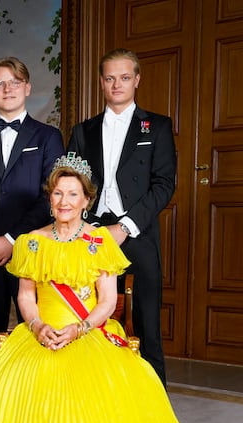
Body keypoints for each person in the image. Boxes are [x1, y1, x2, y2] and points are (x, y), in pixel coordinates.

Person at [0, 154, 212, 423]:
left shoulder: (100, 241)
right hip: (41, 333)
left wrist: (79, 329)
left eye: (73, 194)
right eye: (57, 193)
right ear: (49, 198)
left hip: (88, 331)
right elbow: (26, 297)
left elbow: (108, 302)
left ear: (86, 200)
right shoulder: (32, 242)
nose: (64, 201)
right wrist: (36, 327)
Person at [67, 48, 175, 384]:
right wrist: (84, 227)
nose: (117, 84)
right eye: (110, 78)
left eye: (125, 77)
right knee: (87, 317)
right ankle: (97, 394)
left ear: (137, 80)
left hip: (137, 232)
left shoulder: (156, 126)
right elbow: (70, 182)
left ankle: (155, 404)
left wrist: (126, 226)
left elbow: (164, 184)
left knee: (146, 325)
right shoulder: (83, 131)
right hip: (91, 233)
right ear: (101, 82)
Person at [0, 56, 65, 387]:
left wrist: (11, 238)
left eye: (14, 82)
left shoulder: (48, 137)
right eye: (0, 83)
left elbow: (51, 195)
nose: (7, 89)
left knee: (34, 330)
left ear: (27, 88)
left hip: (31, 250)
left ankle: (34, 402)